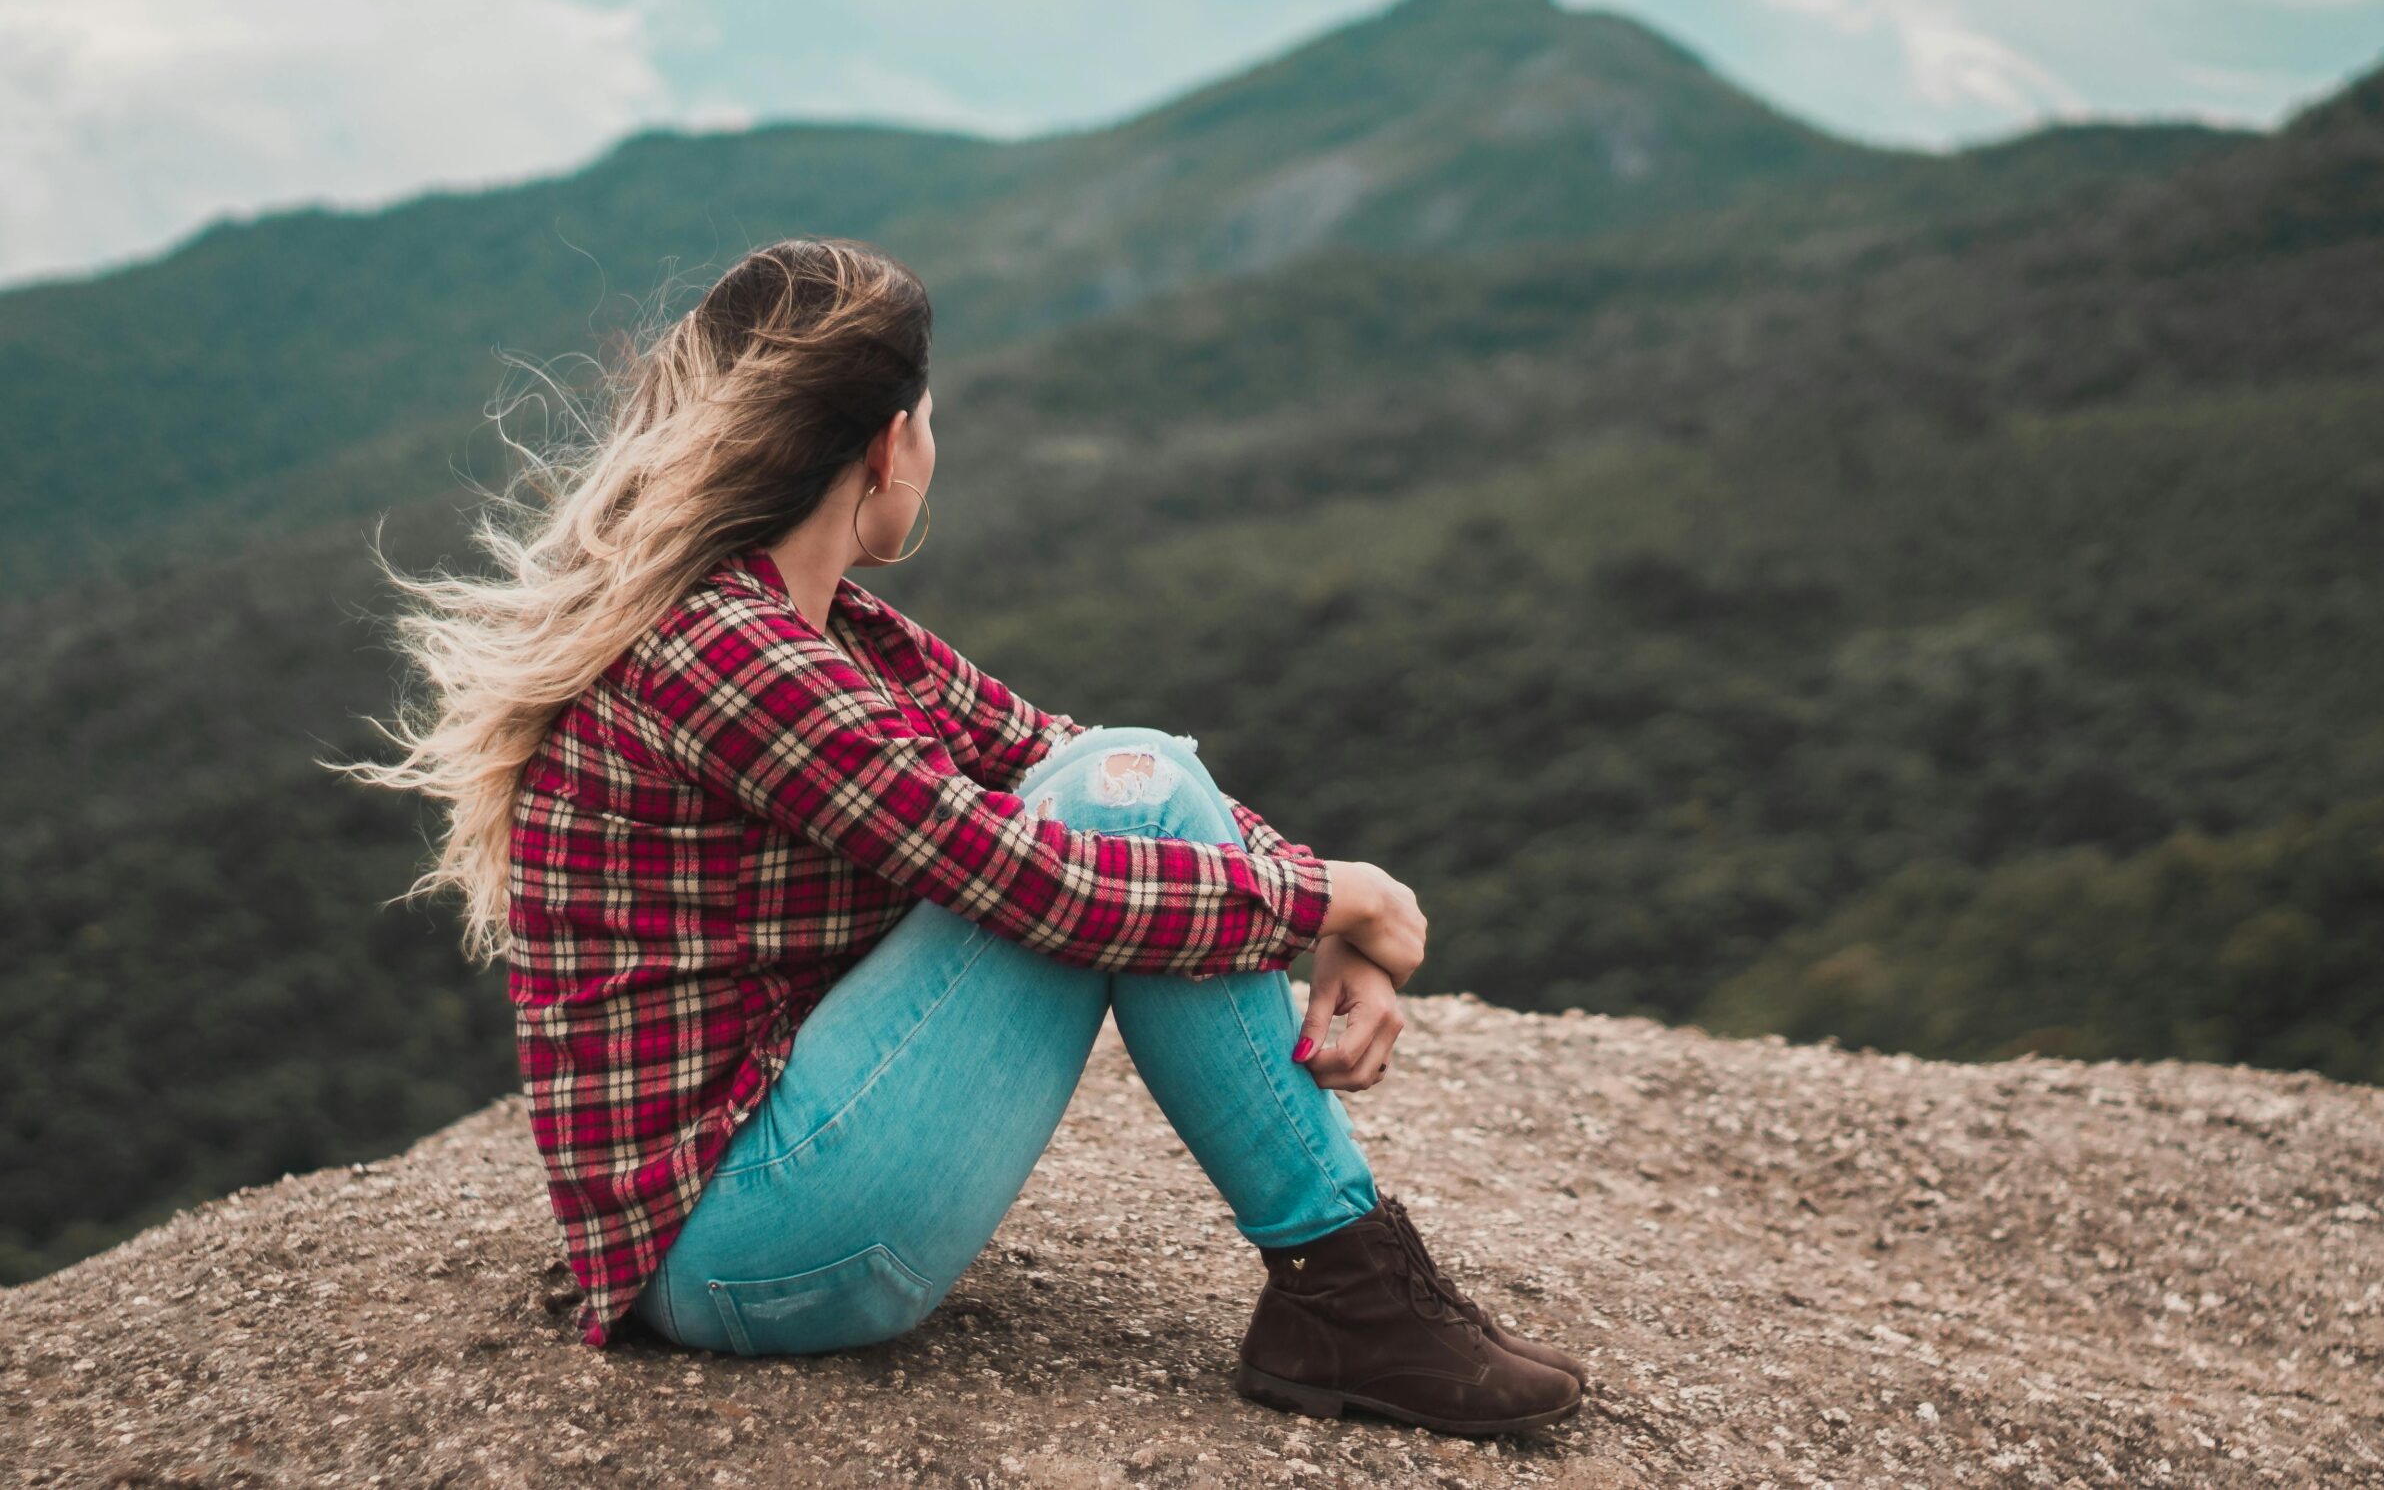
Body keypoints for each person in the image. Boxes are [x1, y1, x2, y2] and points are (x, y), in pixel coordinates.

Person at [335, 236, 1585, 1436]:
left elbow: (1074, 754)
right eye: (928, 423)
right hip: (739, 1248)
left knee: (1120, 770)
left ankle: (1350, 1291)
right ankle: (1350, 1293)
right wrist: (1328, 899)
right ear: (890, 445)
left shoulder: (821, 629)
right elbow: (1032, 877)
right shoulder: (729, 651)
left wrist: (1325, 905)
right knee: (1109, 811)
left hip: (773, 1190)